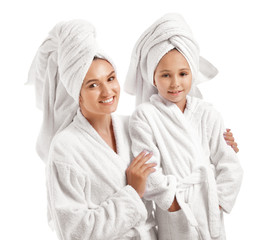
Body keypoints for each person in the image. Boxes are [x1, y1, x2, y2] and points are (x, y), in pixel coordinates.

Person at [27, 20, 157, 240]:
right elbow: (75, 232)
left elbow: (177, 156)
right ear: (76, 93)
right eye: (93, 85)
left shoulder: (132, 125)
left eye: (111, 78)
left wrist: (220, 144)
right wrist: (133, 194)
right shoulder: (65, 148)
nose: (108, 91)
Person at [124, 13, 243, 240]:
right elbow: (148, 169)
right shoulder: (144, 115)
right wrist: (174, 206)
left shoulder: (208, 113)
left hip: (210, 212)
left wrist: (218, 203)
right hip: (175, 217)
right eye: (165, 75)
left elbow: (230, 163)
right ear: (153, 77)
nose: (175, 83)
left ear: (192, 74)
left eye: (183, 73)